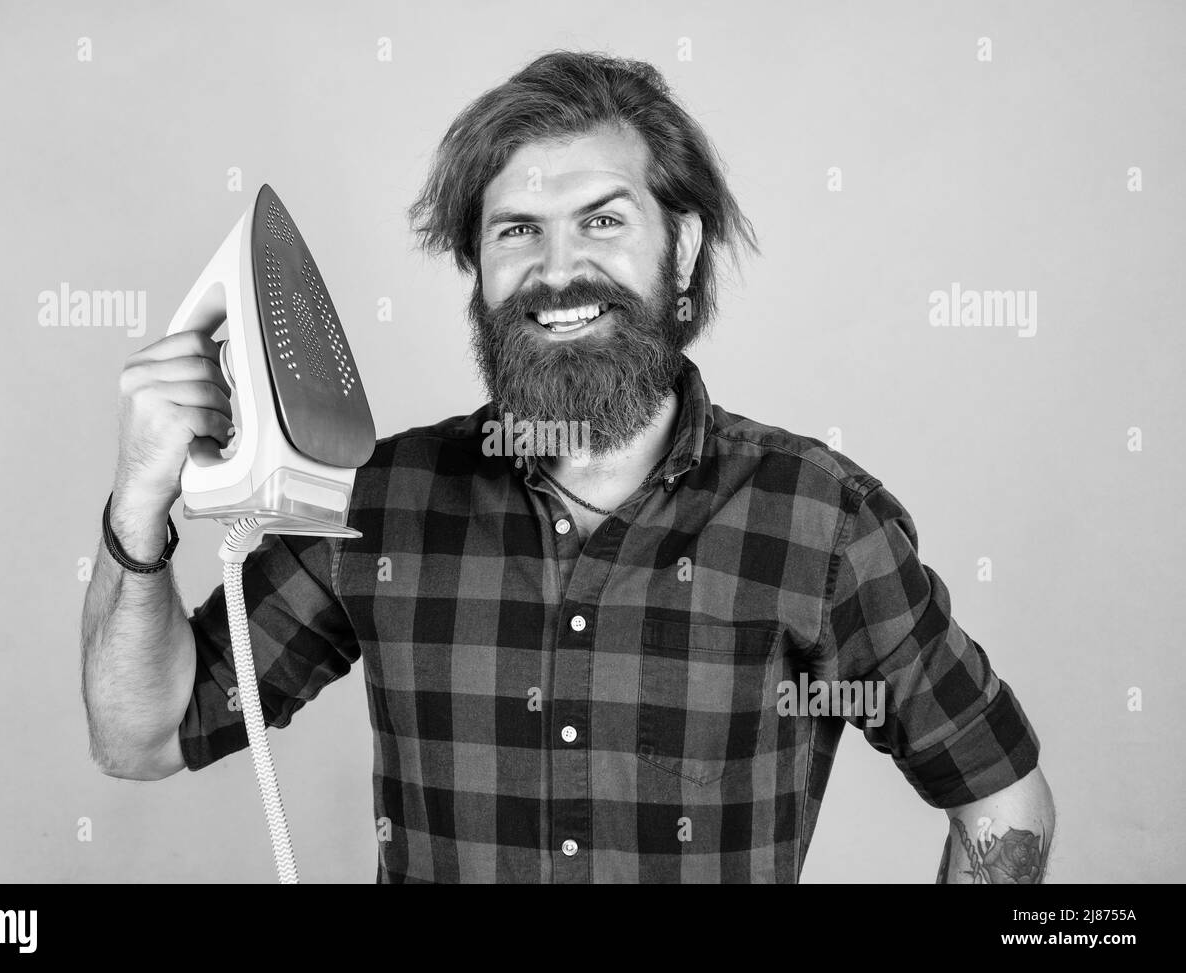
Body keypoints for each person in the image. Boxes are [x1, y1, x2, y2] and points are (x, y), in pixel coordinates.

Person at [81, 51, 1054, 884]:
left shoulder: (819, 522)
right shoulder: (378, 501)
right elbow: (144, 734)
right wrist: (142, 502)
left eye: (601, 221)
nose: (556, 270)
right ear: (477, 271)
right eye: (517, 231)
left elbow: (1003, 804)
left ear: (681, 252)